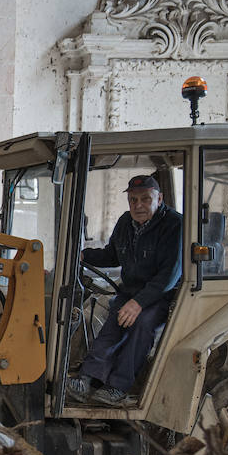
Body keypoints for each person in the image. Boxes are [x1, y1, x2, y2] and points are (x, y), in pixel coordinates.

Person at [67, 174, 183, 406]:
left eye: (145, 199)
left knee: (142, 325)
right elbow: (112, 255)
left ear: (159, 198)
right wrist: (81, 256)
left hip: (161, 296)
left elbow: (170, 275)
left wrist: (138, 303)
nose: (138, 205)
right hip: (130, 291)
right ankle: (87, 378)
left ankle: (118, 387)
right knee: (112, 325)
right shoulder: (125, 222)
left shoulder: (175, 224)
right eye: (133, 200)